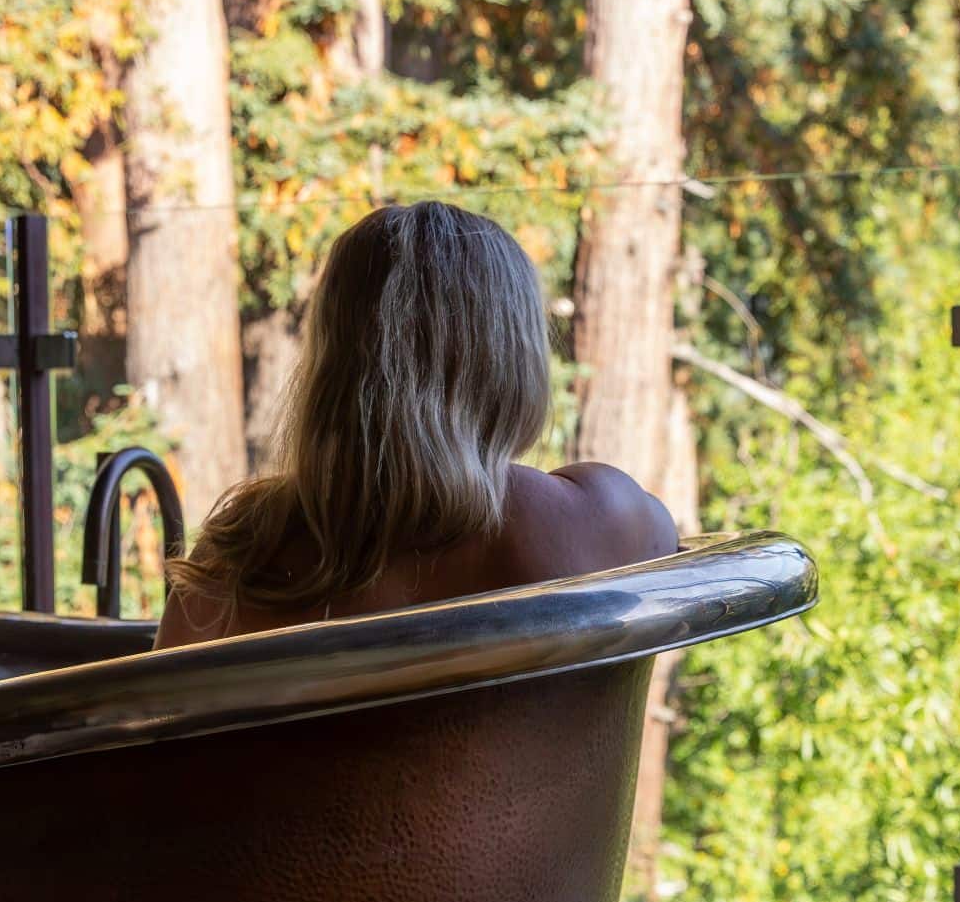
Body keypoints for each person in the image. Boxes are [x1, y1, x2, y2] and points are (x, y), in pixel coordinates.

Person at [156, 201, 679, 649]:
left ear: (331, 360)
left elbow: (160, 733)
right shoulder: (580, 516)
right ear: (512, 360)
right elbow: (669, 543)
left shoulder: (240, 549)